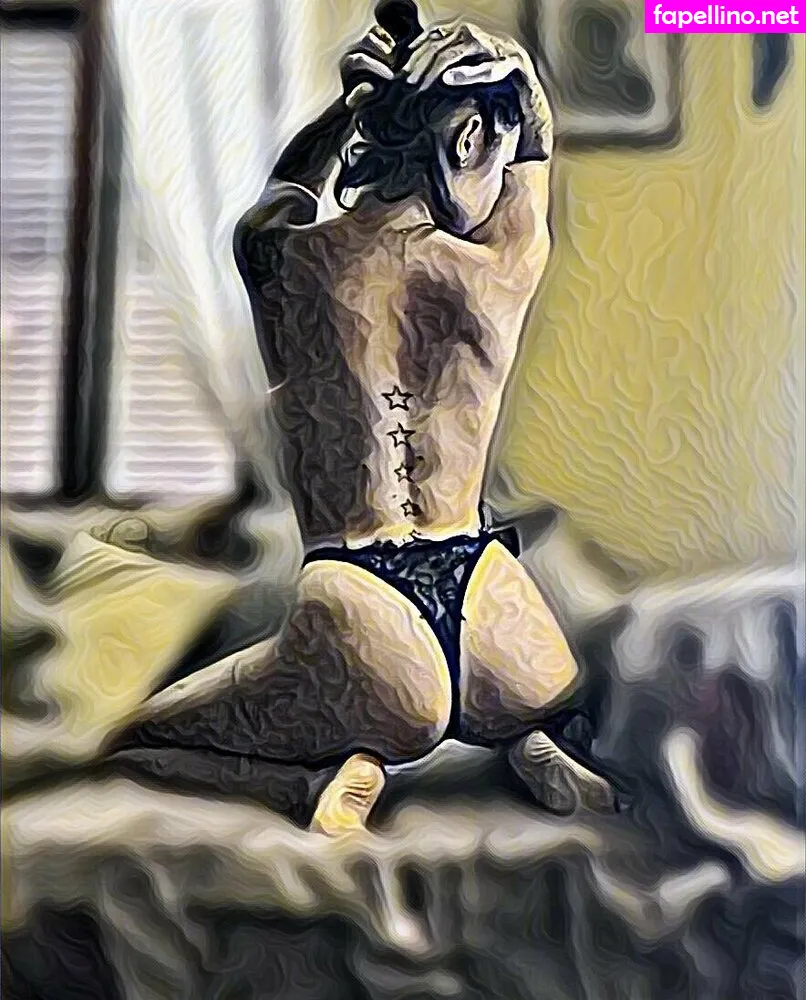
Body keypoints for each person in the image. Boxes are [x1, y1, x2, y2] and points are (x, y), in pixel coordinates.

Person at [125, 14, 618, 834]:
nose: (501, 175)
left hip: (363, 610)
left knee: (139, 737)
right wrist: (519, 78)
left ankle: (333, 771)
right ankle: (525, 739)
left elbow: (283, 193)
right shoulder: (501, 268)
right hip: (500, 611)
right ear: (469, 142)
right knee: (522, 695)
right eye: (494, 154)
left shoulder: (288, 255)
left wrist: (347, 109)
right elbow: (534, 149)